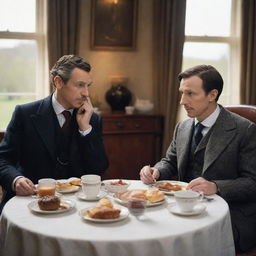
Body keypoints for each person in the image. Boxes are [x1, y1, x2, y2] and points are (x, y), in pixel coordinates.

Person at [140, 65, 256, 253]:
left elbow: (253, 182)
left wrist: (216, 187)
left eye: (190, 94)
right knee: (147, 230)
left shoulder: (246, 130)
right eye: (181, 93)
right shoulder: (183, 126)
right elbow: (170, 161)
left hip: (230, 213)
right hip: (184, 208)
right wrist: (157, 170)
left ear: (212, 95)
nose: (182, 101)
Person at [0, 55, 109, 212]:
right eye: (79, 85)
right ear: (58, 82)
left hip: (77, 207)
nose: (86, 93)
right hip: (30, 203)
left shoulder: (92, 119)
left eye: (88, 86)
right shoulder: (25, 114)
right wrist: (16, 180)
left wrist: (85, 128)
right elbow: (3, 158)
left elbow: (99, 169)